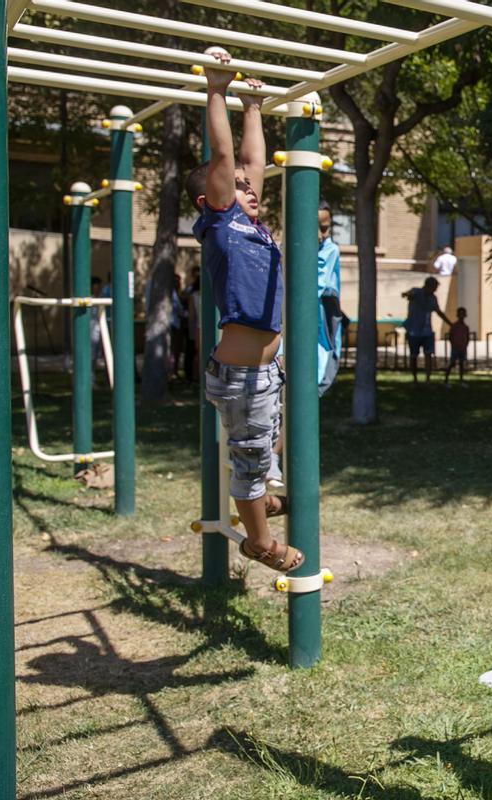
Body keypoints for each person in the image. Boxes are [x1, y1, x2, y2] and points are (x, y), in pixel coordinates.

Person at [183, 48, 301, 573]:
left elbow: (252, 164)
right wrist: (217, 89)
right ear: (211, 197)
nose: (248, 187)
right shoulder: (219, 223)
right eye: (235, 188)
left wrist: (254, 105)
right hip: (242, 374)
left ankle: (263, 508)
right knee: (252, 461)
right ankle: (261, 543)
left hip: (262, 370)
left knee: (265, 447)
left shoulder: (251, 225)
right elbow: (228, 159)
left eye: (250, 188)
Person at [316, 200, 344, 396]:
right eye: (315, 227)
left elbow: (316, 283)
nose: (321, 234)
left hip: (322, 313)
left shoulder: (330, 249)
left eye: (325, 228)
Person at [402, 277, 450, 384]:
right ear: (429, 286)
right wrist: (407, 295)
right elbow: (407, 294)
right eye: (434, 287)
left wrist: (450, 323)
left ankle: (428, 380)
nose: (435, 289)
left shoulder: (433, 298)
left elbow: (438, 312)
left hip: (427, 331)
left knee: (428, 354)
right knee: (414, 355)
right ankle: (415, 379)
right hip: (414, 330)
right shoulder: (416, 292)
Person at [444, 307, 470, 386]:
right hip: (455, 348)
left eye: (463, 313)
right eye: (460, 314)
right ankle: (446, 381)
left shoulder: (466, 327)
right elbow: (451, 337)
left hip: (463, 348)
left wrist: (465, 345)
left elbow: (467, 337)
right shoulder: (454, 326)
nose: (462, 315)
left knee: (461, 364)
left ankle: (461, 381)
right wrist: (454, 345)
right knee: (452, 364)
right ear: (458, 315)